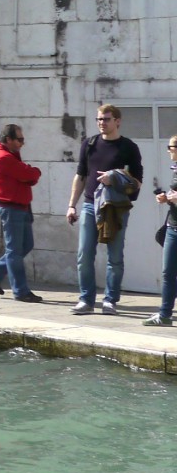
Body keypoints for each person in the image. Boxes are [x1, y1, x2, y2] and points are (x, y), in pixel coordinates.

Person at [66, 103, 142, 315]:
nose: (102, 123)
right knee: (84, 255)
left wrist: (114, 177)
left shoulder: (128, 147)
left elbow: (137, 182)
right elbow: (80, 176)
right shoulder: (89, 144)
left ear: (117, 121)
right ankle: (86, 300)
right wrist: (71, 205)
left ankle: (110, 300)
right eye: (99, 119)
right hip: (90, 205)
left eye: (106, 119)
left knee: (115, 257)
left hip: (115, 207)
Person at [0, 124, 43, 302]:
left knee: (25, 245)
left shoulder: (11, 155)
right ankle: (20, 291)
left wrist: (29, 175)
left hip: (21, 206)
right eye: (19, 139)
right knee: (14, 251)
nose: (22, 143)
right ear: (8, 140)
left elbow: (27, 177)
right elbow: (28, 175)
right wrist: (33, 172)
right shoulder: (4, 157)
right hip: (11, 208)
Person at [148, 135, 177, 326]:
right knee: (168, 272)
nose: (168, 150)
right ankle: (165, 314)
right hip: (172, 226)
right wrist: (166, 198)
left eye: (171, 146)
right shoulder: (175, 169)